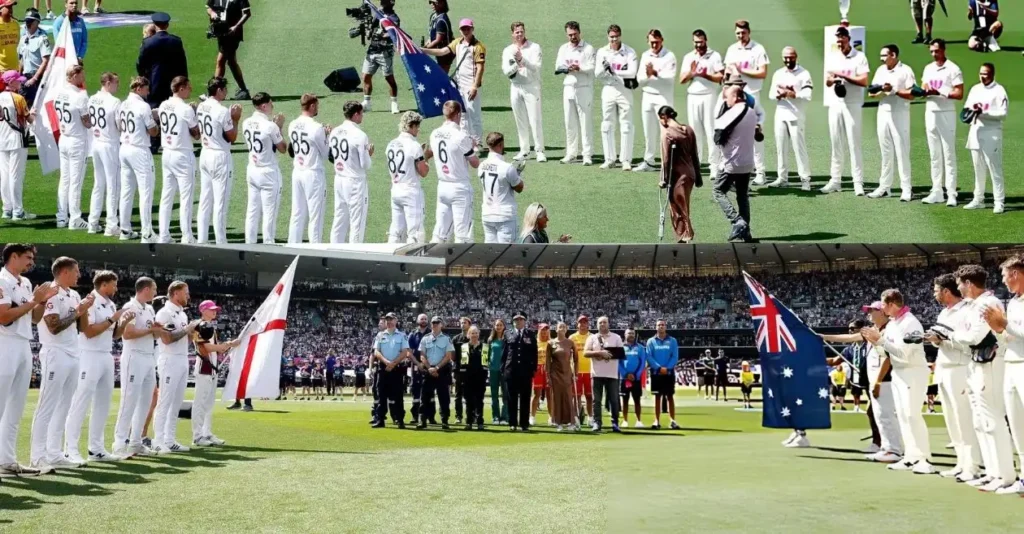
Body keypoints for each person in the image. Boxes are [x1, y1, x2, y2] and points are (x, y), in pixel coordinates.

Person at [949, 265, 1015, 491]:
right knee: (980, 421)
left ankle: (1005, 475)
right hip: (976, 362)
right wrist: (958, 335)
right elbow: (967, 336)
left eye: (960, 284)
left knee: (993, 420)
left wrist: (952, 335)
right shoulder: (975, 305)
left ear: (968, 283)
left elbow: (974, 337)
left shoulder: (988, 303)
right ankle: (992, 472)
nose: (958, 288)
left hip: (991, 362)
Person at [860, 289, 933, 474]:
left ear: (892, 304)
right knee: (903, 416)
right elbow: (887, 353)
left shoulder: (910, 323)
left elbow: (904, 354)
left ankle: (924, 459)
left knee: (912, 416)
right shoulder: (894, 323)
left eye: (883, 305)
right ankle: (910, 457)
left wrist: (880, 341)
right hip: (899, 373)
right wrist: (876, 343)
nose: (882, 309)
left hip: (912, 371)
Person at [0, 244, 57, 478]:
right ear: (13, 256)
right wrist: (34, 301)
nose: (31, 262)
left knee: (15, 408)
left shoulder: (24, 282)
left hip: (23, 343)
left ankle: (7, 460)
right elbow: (3, 316)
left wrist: (41, 302)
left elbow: (34, 319)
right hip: (4, 343)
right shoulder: (2, 280)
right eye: (28, 257)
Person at [31, 256, 92, 471]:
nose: (79, 275)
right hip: (55, 352)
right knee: (47, 405)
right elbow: (54, 327)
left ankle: (55, 453)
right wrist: (78, 311)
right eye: (76, 271)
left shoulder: (73, 294)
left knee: (63, 406)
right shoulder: (51, 291)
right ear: (65, 272)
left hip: (73, 352)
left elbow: (81, 326)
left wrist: (84, 309)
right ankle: (37, 456)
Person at [63, 270, 129, 464]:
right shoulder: (90, 301)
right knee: (80, 402)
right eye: (114, 284)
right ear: (103, 284)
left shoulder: (110, 304)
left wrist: (123, 322)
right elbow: (89, 331)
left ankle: (96, 449)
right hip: (89, 354)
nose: (116, 288)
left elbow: (114, 335)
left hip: (105, 354)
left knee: (103, 403)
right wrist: (112, 319)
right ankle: (70, 449)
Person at [821, 308, 902, 460]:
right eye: (849, 329)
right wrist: (822, 342)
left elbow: (887, 357)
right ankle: (885, 445)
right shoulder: (851, 348)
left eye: (853, 329)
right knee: (876, 413)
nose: (850, 331)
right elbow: (837, 356)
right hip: (864, 382)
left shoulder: (873, 339)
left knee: (881, 414)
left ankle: (886, 445)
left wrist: (878, 381)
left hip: (880, 380)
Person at [923, 273, 979, 477]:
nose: (934, 294)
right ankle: (961, 463)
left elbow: (970, 342)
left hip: (960, 367)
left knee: (963, 418)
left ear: (946, 291)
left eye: (936, 290)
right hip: (944, 366)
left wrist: (944, 338)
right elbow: (943, 341)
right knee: (951, 419)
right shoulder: (943, 314)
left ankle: (973, 465)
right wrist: (936, 340)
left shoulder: (967, 310)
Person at [985, 255, 1024, 494]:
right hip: (1012, 363)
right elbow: (1010, 338)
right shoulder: (1014, 302)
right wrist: (998, 329)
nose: (1003, 281)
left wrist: (1005, 324)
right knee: (1017, 426)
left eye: (1004, 276)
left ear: (1015, 274)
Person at [111, 277, 160, 458]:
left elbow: (152, 335)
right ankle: (119, 444)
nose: (155, 292)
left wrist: (157, 330)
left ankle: (135, 442)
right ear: (146, 289)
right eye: (154, 289)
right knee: (129, 400)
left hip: (148, 356)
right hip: (134, 356)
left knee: (145, 402)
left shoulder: (149, 309)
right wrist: (150, 330)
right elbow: (128, 333)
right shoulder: (130, 307)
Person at [152, 281, 200, 454]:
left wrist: (192, 333)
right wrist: (187, 329)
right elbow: (167, 339)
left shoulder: (182, 314)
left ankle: (170, 439)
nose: (188, 296)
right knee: (165, 401)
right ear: (175, 293)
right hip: (169, 359)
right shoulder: (164, 313)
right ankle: (158, 441)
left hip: (182, 358)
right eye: (185, 292)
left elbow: (184, 339)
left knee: (176, 403)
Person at [423, 19, 486, 149]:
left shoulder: (478, 46)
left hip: (470, 85)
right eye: (463, 29)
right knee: (462, 114)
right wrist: (423, 50)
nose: (466, 31)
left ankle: (478, 142)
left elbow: (480, 68)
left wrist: (474, 86)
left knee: (474, 114)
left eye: (468, 28)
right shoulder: (457, 42)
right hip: (459, 85)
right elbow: (442, 51)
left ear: (472, 29)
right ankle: (466, 142)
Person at [822, 26, 869, 195]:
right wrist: (833, 79)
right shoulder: (833, 57)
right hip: (836, 103)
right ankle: (835, 180)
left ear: (848, 39)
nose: (840, 42)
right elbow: (828, 81)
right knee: (836, 142)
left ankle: (858, 182)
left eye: (842, 39)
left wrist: (844, 77)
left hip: (853, 104)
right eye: (838, 40)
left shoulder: (859, 57)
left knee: (854, 143)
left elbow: (864, 81)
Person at [196, 77, 242, 245]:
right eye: (225, 89)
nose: (226, 92)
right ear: (219, 90)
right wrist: (235, 119)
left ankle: (202, 240)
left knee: (205, 201)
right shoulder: (222, 111)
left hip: (205, 153)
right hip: (220, 156)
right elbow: (232, 137)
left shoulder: (201, 106)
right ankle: (221, 243)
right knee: (220, 203)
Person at [867, 44, 915, 201]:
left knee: (902, 151)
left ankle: (906, 189)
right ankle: (884, 187)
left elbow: (912, 94)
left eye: (884, 55)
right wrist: (883, 90)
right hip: (883, 113)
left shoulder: (905, 71)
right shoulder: (881, 71)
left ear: (893, 55)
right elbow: (871, 93)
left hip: (900, 114)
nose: (881, 59)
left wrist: (894, 91)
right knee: (885, 151)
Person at [919, 39, 964, 206]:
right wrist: (924, 91)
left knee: (948, 154)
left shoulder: (953, 68)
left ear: (943, 50)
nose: (933, 54)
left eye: (936, 51)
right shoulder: (928, 68)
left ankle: (951, 193)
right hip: (930, 112)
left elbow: (959, 93)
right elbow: (924, 86)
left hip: (946, 113)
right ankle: (936, 191)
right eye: (931, 51)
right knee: (934, 155)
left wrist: (940, 92)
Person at [156, 76, 200, 244]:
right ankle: (187, 236)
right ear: (181, 88)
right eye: (188, 87)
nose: (191, 89)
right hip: (182, 154)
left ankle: (163, 235)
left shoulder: (163, 105)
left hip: (167, 153)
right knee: (186, 197)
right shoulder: (185, 109)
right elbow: (196, 134)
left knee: (166, 196)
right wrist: (195, 113)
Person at [724, 20, 768, 184]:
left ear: (749, 32)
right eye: (738, 33)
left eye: (743, 33)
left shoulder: (758, 49)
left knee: (755, 133)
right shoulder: (732, 49)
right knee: (736, 134)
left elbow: (762, 73)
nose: (740, 36)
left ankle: (760, 172)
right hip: (736, 97)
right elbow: (727, 72)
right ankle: (738, 171)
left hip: (752, 95)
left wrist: (742, 71)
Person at [429, 100, 480, 243]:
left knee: (440, 232)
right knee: (463, 234)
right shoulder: (461, 136)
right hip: (459, 187)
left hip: (442, 186)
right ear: (458, 115)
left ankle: (432, 256)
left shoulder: (434, 133)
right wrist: (472, 147)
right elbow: (475, 163)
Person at [713, 84, 757, 243]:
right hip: (747, 162)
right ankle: (746, 233)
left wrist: (723, 110)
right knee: (742, 196)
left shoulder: (730, 114)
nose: (726, 100)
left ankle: (737, 221)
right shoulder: (752, 112)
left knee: (718, 191)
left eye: (727, 97)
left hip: (731, 163)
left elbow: (717, 137)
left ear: (736, 97)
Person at [117, 76, 159, 242]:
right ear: (139, 88)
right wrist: (156, 122)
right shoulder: (143, 106)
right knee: (146, 192)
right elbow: (153, 131)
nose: (148, 93)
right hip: (140, 150)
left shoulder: (123, 104)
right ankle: (147, 233)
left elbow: (119, 126)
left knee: (126, 192)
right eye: (146, 89)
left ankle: (125, 230)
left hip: (124, 148)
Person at [241, 92, 287, 244]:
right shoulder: (270, 126)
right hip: (268, 172)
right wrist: (279, 127)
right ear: (264, 106)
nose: (273, 106)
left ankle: (250, 244)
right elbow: (282, 148)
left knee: (252, 210)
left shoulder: (246, 122)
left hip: (252, 169)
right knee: (269, 212)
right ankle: (268, 244)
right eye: (271, 103)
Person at [962, 62, 1007, 214]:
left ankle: (999, 202)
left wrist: (984, 113)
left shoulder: (999, 90)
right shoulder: (975, 89)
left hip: (991, 132)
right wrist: (969, 113)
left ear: (992, 74)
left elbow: (1003, 114)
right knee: (978, 168)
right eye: (981, 73)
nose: (982, 77)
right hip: (975, 131)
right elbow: (967, 108)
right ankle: (978, 199)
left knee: (995, 169)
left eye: (985, 74)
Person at [190, 300, 236, 447]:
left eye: (215, 309)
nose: (214, 312)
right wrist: (225, 345)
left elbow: (214, 348)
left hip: (212, 369)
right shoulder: (198, 326)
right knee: (200, 403)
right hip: (204, 368)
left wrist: (227, 345)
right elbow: (205, 348)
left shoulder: (211, 327)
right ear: (203, 310)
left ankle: (207, 432)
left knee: (209, 404)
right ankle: (197, 436)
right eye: (211, 309)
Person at [680, 29, 724, 179]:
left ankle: (714, 166)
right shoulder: (688, 57)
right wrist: (692, 73)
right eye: (696, 42)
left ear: (706, 40)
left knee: (711, 131)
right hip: (693, 97)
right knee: (694, 132)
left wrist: (705, 75)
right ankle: (696, 165)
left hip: (709, 96)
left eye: (701, 42)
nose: (699, 45)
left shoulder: (714, 55)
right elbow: (682, 79)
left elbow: (720, 76)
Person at [287, 93, 331, 243]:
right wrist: (327, 135)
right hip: (313, 173)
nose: (318, 108)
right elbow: (325, 153)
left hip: (297, 172)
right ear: (312, 106)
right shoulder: (316, 127)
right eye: (317, 105)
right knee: (315, 216)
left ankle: (293, 246)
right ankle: (315, 249)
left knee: (297, 213)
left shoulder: (292, 124)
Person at [54, 65, 93, 230]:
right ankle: (75, 218)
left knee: (65, 180)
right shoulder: (80, 96)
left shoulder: (59, 93)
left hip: (64, 139)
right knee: (75, 181)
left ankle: (61, 217)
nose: (84, 77)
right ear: (75, 76)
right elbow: (86, 122)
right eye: (82, 74)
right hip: (77, 141)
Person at [768, 46, 813, 190]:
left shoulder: (803, 73)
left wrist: (794, 94)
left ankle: (805, 180)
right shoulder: (778, 73)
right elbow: (771, 94)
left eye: (791, 57)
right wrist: (779, 95)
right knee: (780, 147)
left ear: (796, 56)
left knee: (799, 148)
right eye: (785, 57)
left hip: (796, 115)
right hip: (781, 113)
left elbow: (808, 94)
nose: (788, 60)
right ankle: (782, 178)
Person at [329, 101, 373, 244]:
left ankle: (334, 250)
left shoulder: (335, 131)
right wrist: (369, 153)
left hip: (339, 179)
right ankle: (355, 253)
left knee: (339, 219)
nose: (362, 116)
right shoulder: (360, 135)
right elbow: (365, 164)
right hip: (355, 182)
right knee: (357, 222)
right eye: (361, 113)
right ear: (355, 115)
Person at [594, 24, 636, 171]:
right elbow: (597, 74)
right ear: (608, 36)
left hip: (625, 89)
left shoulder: (629, 52)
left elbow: (631, 73)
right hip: (609, 89)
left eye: (616, 36)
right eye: (611, 37)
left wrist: (613, 72)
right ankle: (609, 159)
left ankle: (626, 160)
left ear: (620, 36)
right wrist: (606, 69)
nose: (614, 39)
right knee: (607, 123)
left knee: (626, 124)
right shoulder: (602, 52)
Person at [502, 22, 545, 163]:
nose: (519, 34)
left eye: (521, 31)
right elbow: (506, 71)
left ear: (524, 32)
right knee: (520, 119)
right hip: (515, 86)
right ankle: (524, 150)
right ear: (512, 34)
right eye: (517, 32)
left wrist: (522, 60)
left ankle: (539, 151)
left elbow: (536, 67)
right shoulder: (508, 50)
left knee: (535, 119)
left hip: (531, 86)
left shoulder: (534, 47)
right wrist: (516, 65)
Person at [634, 29, 676, 173]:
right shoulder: (645, 55)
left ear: (662, 40)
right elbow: (639, 79)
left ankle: (668, 163)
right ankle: (649, 161)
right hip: (648, 96)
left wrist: (655, 73)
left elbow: (670, 78)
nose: (654, 45)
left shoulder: (669, 56)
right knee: (648, 131)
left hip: (663, 98)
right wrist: (648, 75)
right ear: (648, 41)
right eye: (651, 42)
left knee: (666, 132)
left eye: (656, 42)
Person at [386, 111, 430, 243]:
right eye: (417, 126)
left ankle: (390, 255)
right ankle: (414, 256)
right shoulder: (414, 146)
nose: (418, 129)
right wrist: (426, 157)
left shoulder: (391, 144)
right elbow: (423, 172)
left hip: (395, 190)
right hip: (411, 192)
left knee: (396, 232)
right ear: (412, 126)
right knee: (415, 233)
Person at [657, 105, 700, 243]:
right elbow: (695, 154)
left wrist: (663, 179)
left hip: (676, 175)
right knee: (684, 203)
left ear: (664, 117)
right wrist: (698, 176)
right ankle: (683, 235)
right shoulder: (688, 129)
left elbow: (666, 159)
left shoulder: (667, 134)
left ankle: (685, 234)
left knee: (677, 206)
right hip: (690, 173)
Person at [556, 21, 596, 166]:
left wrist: (579, 68)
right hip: (568, 87)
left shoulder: (588, 48)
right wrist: (566, 69)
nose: (573, 37)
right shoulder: (563, 48)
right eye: (570, 35)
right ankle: (571, 153)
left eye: (575, 34)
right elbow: (558, 66)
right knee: (569, 122)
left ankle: (587, 154)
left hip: (583, 87)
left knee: (585, 122)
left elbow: (592, 67)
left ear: (579, 32)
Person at [85, 72, 120, 235]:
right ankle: (111, 224)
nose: (118, 86)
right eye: (116, 82)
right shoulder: (114, 102)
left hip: (96, 143)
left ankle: (93, 223)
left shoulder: (92, 98)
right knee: (113, 185)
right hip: (110, 144)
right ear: (108, 83)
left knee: (98, 184)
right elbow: (120, 125)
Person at [136, 13, 188, 111]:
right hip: (173, 84)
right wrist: (184, 82)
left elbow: (140, 64)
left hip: (153, 83)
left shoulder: (148, 42)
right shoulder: (176, 41)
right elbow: (182, 64)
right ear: (167, 25)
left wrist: (144, 77)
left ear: (155, 25)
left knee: (154, 111)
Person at [479, 131, 525, 244]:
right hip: (505, 216)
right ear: (501, 144)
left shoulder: (481, 165)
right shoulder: (507, 168)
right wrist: (518, 174)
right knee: (508, 252)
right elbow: (519, 188)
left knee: (490, 250)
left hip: (487, 214)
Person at [0, 71, 33, 222]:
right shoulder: (19, 99)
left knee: (4, 176)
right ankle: (18, 211)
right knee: (15, 176)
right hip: (17, 141)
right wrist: (34, 113)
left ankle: (7, 209)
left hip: (2, 140)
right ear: (11, 82)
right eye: (18, 81)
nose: (20, 83)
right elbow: (30, 119)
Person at [206, 0, 251, 101]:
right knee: (231, 62)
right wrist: (212, 13)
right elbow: (209, 7)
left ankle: (214, 93)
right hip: (221, 33)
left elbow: (247, 13)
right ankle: (243, 90)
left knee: (221, 61)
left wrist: (236, 26)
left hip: (232, 34)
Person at [372, 312, 410, 428]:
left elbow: (405, 352)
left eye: (391, 319)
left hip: (397, 368)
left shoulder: (402, 335)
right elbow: (376, 351)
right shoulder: (380, 335)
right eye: (387, 319)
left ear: (396, 320)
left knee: (398, 395)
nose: (389, 321)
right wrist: (386, 362)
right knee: (381, 395)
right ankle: (380, 419)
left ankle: (400, 419)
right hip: (383, 368)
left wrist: (393, 363)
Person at [360, 0, 400, 114]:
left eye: (384, 1)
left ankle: (394, 103)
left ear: (391, 2)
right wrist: (367, 31)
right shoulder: (378, 14)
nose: (382, 3)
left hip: (385, 53)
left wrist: (381, 34)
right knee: (366, 76)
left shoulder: (394, 18)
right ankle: (367, 102)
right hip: (372, 50)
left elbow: (393, 33)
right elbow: (372, 28)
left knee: (389, 78)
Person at [584, 316, 622, 432]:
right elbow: (585, 353)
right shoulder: (592, 338)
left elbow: (620, 353)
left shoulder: (616, 337)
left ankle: (615, 423)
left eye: (604, 322)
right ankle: (597, 423)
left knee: (614, 400)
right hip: (597, 374)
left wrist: (606, 354)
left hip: (612, 374)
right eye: (600, 323)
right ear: (597, 325)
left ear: (608, 324)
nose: (602, 324)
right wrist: (599, 353)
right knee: (596, 400)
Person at [416, 316, 454, 430]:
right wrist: (430, 368)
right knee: (425, 397)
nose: (435, 324)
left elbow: (448, 356)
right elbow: (422, 355)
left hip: (442, 371)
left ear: (441, 324)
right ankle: (422, 420)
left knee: (444, 398)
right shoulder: (425, 338)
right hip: (428, 370)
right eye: (433, 322)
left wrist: (436, 368)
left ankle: (444, 421)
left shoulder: (446, 339)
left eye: (437, 322)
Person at [503, 313, 537, 432]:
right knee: (511, 399)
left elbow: (534, 353)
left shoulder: (530, 334)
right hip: (511, 370)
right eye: (516, 320)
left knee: (525, 398)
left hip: (525, 371)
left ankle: (524, 424)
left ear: (525, 321)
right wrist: (503, 369)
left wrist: (533, 369)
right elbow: (504, 352)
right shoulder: (507, 333)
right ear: (513, 322)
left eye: (521, 319)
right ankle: (512, 423)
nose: (518, 321)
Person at [646, 320, 679, 429]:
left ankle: (673, 421)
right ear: (656, 327)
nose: (661, 326)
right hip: (656, 373)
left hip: (669, 373)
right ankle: (656, 421)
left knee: (670, 396)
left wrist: (667, 368)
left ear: (666, 327)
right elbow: (649, 357)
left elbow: (675, 356)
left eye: (663, 325)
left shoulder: (672, 341)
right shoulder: (651, 341)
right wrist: (659, 368)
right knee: (657, 397)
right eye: (659, 325)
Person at [547, 322, 578, 431]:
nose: (562, 328)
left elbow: (576, 359)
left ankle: (571, 422)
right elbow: (548, 361)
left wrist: (576, 374)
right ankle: (558, 422)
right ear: (556, 329)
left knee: (568, 397)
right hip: (555, 374)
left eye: (564, 327)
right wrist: (548, 376)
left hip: (567, 374)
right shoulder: (550, 343)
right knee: (557, 398)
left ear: (566, 329)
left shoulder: (570, 342)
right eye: (560, 327)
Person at [17, 9, 51, 108]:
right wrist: (19, 76)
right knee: (24, 106)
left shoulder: (42, 39)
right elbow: (21, 59)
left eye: (30, 21)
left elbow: (45, 61)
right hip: (25, 77)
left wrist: (34, 78)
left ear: (37, 22)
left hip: (38, 77)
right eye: (27, 21)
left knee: (37, 106)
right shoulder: (23, 38)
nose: (28, 24)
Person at [459, 325, 486, 430]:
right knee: (468, 401)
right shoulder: (464, 347)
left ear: (479, 334)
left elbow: (485, 363)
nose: (474, 335)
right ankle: (469, 422)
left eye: (476, 333)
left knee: (479, 400)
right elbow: (462, 364)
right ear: (468, 334)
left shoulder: (484, 347)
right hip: (468, 378)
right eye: (472, 333)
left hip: (480, 378)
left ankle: (480, 422)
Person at [569, 316, 594, 426]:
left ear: (588, 324)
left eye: (585, 322)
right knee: (576, 396)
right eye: (581, 322)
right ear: (577, 324)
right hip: (576, 372)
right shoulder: (572, 337)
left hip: (590, 371)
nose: (583, 324)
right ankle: (576, 417)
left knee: (590, 396)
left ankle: (590, 418)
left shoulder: (593, 337)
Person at [619, 329, 646, 427]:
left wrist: (636, 375)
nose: (631, 335)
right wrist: (625, 374)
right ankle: (625, 421)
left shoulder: (640, 348)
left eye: (632, 333)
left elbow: (642, 363)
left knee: (637, 400)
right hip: (624, 379)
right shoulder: (620, 347)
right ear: (625, 334)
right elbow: (618, 363)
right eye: (629, 333)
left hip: (636, 379)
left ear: (635, 335)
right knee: (625, 400)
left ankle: (638, 421)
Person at [407, 314, 430, 424]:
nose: (424, 320)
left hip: (429, 365)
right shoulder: (413, 334)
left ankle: (430, 416)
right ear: (417, 320)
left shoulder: (431, 333)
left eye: (425, 319)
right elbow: (409, 352)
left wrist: (426, 364)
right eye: (421, 319)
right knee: (416, 391)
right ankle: (415, 415)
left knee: (429, 392)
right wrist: (418, 363)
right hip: (416, 365)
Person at [450, 316, 471, 424]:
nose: (463, 324)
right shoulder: (456, 339)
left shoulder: (473, 337)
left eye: (465, 323)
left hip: (471, 370)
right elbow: (452, 356)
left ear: (469, 324)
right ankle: (458, 416)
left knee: (470, 394)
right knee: (458, 394)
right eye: (462, 323)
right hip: (458, 369)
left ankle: (471, 416)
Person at [488, 318, 508, 424]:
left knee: (506, 394)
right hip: (493, 370)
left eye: (500, 325)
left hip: (505, 370)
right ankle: (495, 416)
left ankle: (504, 417)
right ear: (494, 327)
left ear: (504, 326)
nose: (498, 327)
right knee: (494, 394)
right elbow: (487, 355)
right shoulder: (490, 340)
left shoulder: (507, 340)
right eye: (497, 325)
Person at [530, 323, 550, 426]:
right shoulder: (535, 342)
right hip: (537, 369)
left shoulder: (551, 343)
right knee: (536, 394)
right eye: (542, 330)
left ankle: (551, 417)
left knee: (549, 395)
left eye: (546, 330)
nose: (544, 332)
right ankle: (532, 417)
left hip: (548, 370)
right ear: (539, 331)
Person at [425, 0, 452, 72]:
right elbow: (431, 36)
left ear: (442, 3)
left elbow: (438, 40)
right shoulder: (433, 16)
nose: (432, 4)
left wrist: (425, 49)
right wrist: (426, 45)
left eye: (435, 3)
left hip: (444, 55)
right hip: (437, 52)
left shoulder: (441, 20)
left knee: (441, 76)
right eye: (431, 2)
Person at [0, 1, 19, 73]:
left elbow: (17, 44)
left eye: (11, 7)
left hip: (15, 68)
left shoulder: (15, 24)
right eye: (8, 7)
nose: (11, 10)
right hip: (1, 69)